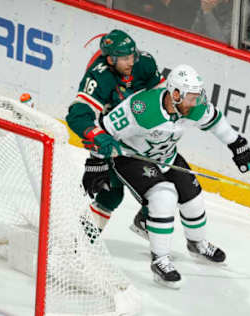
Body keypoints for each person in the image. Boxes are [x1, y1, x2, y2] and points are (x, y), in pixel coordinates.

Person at [83, 64, 250, 287]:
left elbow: (216, 121)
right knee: (164, 196)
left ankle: (197, 244)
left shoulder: (193, 106)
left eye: (196, 97)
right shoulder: (142, 108)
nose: (195, 103)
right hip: (131, 157)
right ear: (175, 94)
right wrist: (96, 162)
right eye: (190, 98)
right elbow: (104, 130)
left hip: (167, 156)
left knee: (193, 199)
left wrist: (237, 144)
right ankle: (160, 260)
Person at [66, 29, 163, 238]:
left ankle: (146, 219)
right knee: (111, 192)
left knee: (164, 184)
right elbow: (77, 115)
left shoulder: (144, 63)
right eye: (125, 58)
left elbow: (161, 99)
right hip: (113, 133)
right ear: (110, 59)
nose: (131, 62)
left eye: (132, 56)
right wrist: (97, 137)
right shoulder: (99, 75)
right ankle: (82, 240)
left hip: (143, 133)